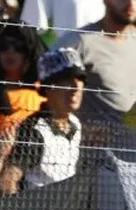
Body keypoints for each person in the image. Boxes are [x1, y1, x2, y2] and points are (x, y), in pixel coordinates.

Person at [0, 47, 86, 194]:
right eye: (67, 80)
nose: (76, 87)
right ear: (49, 87)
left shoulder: (75, 124)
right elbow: (8, 179)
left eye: (80, 79)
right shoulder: (36, 129)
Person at [53, 0, 136, 140]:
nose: (131, 4)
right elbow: (43, 87)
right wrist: (79, 127)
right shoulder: (79, 41)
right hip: (96, 157)